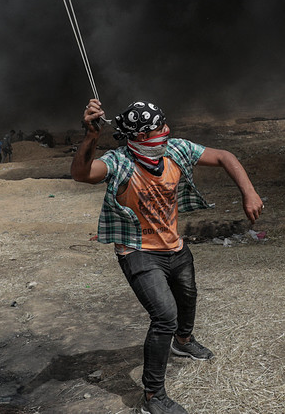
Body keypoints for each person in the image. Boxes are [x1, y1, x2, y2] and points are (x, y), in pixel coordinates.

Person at [71, 100, 264, 414]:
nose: (168, 130)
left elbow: (225, 156)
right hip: (138, 251)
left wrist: (249, 191)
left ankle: (184, 341)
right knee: (164, 317)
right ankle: (153, 398)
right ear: (144, 136)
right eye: (160, 127)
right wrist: (91, 137)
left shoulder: (176, 150)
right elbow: (82, 174)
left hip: (174, 246)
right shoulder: (119, 163)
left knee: (188, 296)